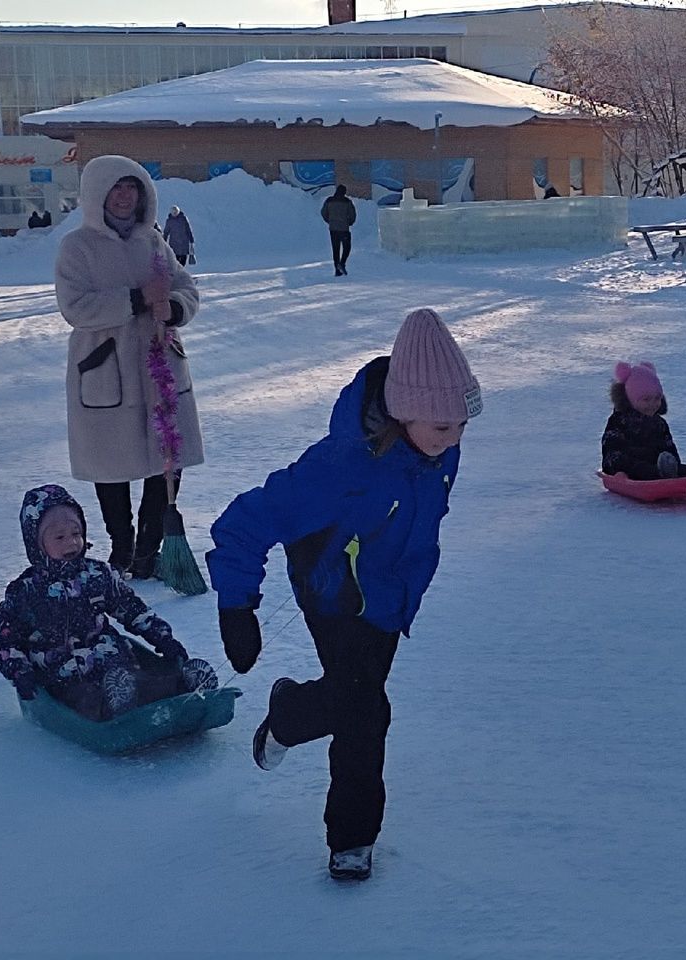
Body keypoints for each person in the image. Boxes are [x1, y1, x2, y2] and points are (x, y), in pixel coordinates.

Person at [207, 308, 481, 882]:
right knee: (365, 708)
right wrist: (237, 605)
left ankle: (290, 711)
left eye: (460, 425)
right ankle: (351, 838)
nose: (453, 440)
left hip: (391, 598)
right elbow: (244, 523)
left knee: (357, 701)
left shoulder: (438, 447)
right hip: (334, 594)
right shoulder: (340, 468)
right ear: (403, 413)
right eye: (441, 428)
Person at [54, 155, 204, 580]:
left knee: (165, 460)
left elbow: (185, 288)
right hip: (106, 368)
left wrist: (172, 308)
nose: (124, 197)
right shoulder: (77, 247)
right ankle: (122, 547)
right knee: (111, 464)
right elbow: (75, 307)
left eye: (131, 188)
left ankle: (148, 550)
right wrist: (136, 300)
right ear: (97, 194)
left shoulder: (153, 242)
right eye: (115, 189)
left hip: (158, 365)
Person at [0, 485, 218, 720]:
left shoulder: (98, 574)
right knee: (85, 698)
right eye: (60, 537)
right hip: (62, 675)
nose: (71, 543)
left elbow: (131, 608)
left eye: (76, 533)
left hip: (113, 661)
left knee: (143, 680)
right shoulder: (26, 591)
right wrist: (19, 671)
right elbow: (6, 640)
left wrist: (163, 637)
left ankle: (183, 685)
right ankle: (114, 707)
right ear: (37, 544)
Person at [601, 361, 686, 480]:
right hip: (628, 469)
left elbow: (669, 450)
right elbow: (612, 456)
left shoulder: (659, 424)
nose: (653, 404)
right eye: (646, 399)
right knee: (639, 468)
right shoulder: (619, 422)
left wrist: (671, 462)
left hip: (658, 466)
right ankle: (663, 474)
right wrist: (619, 468)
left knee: (676, 467)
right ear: (630, 401)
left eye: (657, 398)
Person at [320, 184, 357, 276]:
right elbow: (353, 214)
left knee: (335, 250)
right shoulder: (347, 202)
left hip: (333, 229)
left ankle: (337, 270)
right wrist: (350, 222)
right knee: (347, 248)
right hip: (344, 229)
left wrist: (329, 221)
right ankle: (342, 263)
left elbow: (323, 213)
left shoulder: (329, 201)